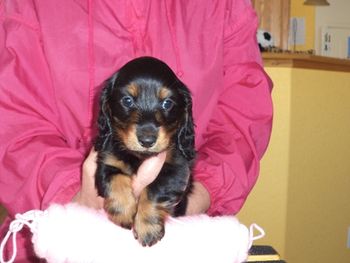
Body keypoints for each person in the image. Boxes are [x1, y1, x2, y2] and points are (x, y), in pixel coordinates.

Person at [0, 0, 273, 262]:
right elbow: (13, 120)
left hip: (185, 241)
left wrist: (200, 191)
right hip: (57, 242)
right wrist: (72, 195)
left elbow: (243, 109)